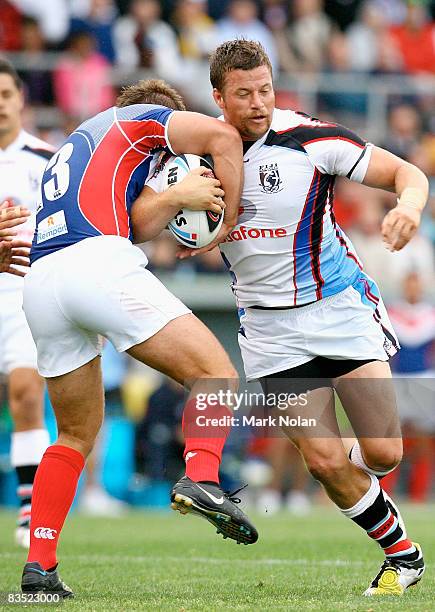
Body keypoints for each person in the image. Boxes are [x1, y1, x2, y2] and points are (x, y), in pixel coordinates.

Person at [145, 40, 428, 597]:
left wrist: (409, 208)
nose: (258, 103)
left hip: (338, 308)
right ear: (218, 98)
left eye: (265, 90)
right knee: (324, 460)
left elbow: (407, 173)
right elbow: (143, 222)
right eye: (244, 94)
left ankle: (360, 480)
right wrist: (176, 204)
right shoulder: (188, 161)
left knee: (383, 454)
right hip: (269, 330)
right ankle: (403, 554)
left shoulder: (310, 138)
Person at [20, 78, 257, 598]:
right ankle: (201, 476)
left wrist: (172, 196)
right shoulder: (145, 120)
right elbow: (224, 138)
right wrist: (226, 225)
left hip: (41, 283)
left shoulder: (82, 143)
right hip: (95, 265)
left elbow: (131, 218)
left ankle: (39, 568)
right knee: (215, 374)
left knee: (75, 435)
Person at [0, 60, 54, 548]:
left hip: (21, 289)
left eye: (5, 93)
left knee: (25, 393)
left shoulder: (48, 159)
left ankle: (29, 510)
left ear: (21, 99)